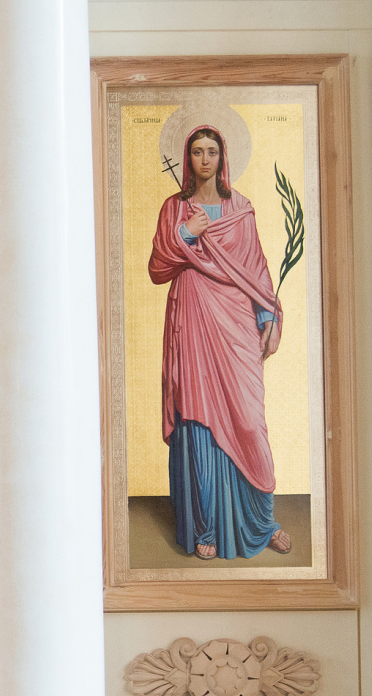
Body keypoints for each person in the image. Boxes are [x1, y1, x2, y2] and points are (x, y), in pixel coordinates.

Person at [148, 125, 293, 560]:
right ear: (187, 157)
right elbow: (157, 268)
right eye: (197, 152)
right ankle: (205, 526)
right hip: (193, 319)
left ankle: (262, 522)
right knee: (198, 422)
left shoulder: (241, 209)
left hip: (236, 323)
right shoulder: (175, 208)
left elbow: (257, 268)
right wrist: (185, 233)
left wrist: (268, 317)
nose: (205, 160)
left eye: (212, 151)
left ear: (223, 156)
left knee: (249, 420)